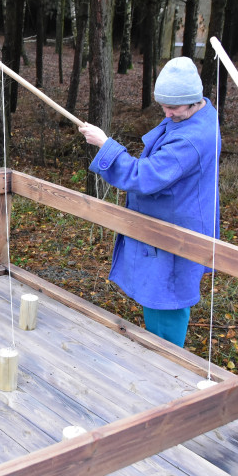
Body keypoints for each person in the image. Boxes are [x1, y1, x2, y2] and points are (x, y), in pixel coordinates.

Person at [78, 56, 220, 347]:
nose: (166, 114)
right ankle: (158, 356)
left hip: (176, 228)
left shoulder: (191, 140)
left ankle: (167, 364)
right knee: (157, 293)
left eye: (173, 107)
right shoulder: (200, 113)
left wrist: (106, 146)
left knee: (167, 297)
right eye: (163, 106)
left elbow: (145, 176)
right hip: (169, 218)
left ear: (195, 100)